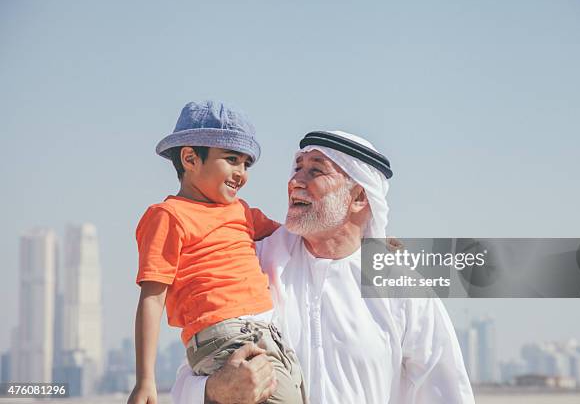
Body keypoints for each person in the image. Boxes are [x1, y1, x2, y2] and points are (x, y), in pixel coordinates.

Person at [171, 130, 475, 403]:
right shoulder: (249, 263)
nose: (295, 182)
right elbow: (190, 375)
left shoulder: (400, 285)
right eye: (297, 169)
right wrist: (213, 392)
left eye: (315, 171)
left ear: (358, 197)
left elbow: (446, 390)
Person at [128, 101, 306, 404]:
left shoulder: (242, 212)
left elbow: (301, 236)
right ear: (190, 158)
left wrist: (371, 239)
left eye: (246, 164)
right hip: (225, 337)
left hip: (267, 336)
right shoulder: (169, 215)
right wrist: (146, 379)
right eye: (232, 159)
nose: (242, 173)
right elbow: (152, 298)